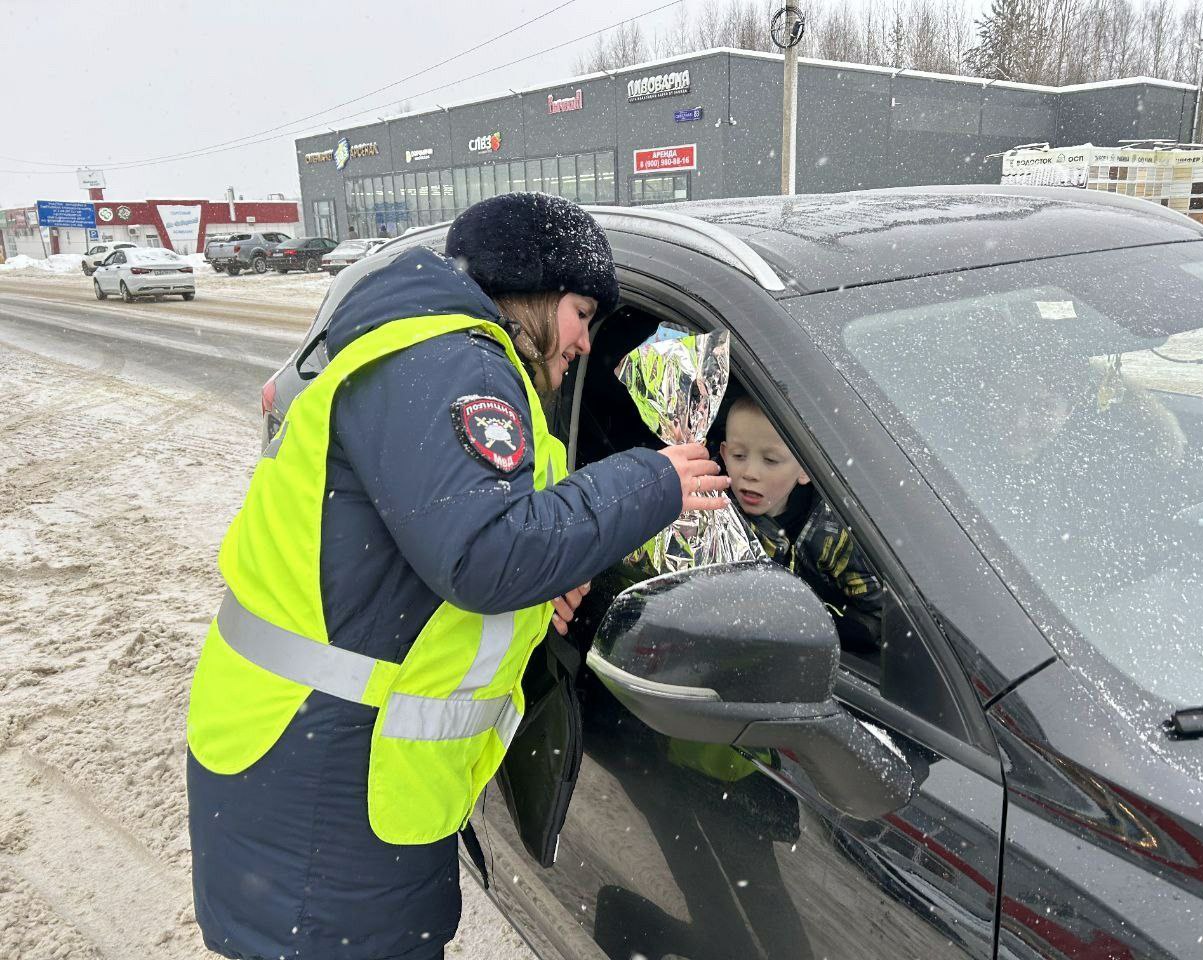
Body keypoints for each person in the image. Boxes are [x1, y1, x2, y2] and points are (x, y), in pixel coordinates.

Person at [184, 192, 730, 960]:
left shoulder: (442, 353)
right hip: (320, 782)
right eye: (580, 311)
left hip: (335, 769)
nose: (583, 339)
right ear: (532, 287)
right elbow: (484, 555)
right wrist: (654, 481)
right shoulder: (445, 360)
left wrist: (548, 579)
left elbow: (438, 549)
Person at [720, 395, 882, 653]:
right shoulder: (717, 515)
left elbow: (878, 610)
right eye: (739, 456)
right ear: (724, 455)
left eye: (771, 460)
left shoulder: (832, 529)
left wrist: (832, 627)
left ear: (806, 469)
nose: (750, 472)